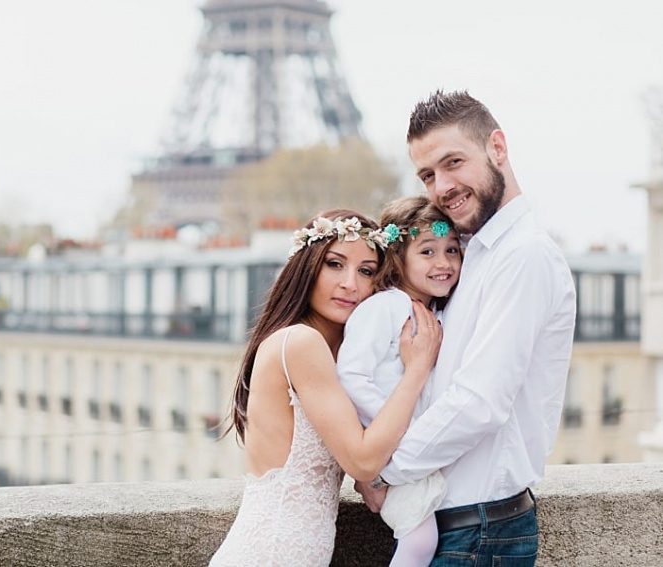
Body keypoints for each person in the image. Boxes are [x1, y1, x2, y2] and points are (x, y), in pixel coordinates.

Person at [355, 90, 577, 566]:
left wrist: (382, 467)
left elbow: (479, 402)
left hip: (479, 531)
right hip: (454, 526)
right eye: (427, 175)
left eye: (453, 162)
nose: (441, 187)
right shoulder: (469, 257)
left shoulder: (523, 257)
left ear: (497, 147)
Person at [209, 208, 443, 567]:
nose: (350, 283)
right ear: (307, 267)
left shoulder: (332, 356)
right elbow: (364, 460)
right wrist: (418, 369)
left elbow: (356, 451)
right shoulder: (300, 343)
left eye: (366, 271)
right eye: (335, 264)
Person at [337, 196, 461, 566]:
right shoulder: (384, 307)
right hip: (394, 448)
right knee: (421, 541)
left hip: (414, 450)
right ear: (398, 257)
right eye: (427, 251)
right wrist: (395, 427)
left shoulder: (436, 311)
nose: (443, 263)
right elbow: (352, 375)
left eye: (452, 250)